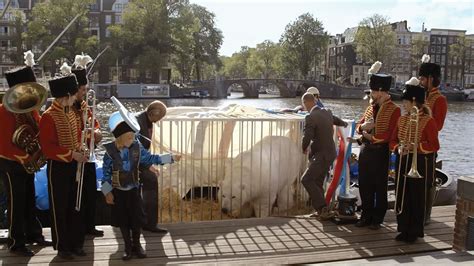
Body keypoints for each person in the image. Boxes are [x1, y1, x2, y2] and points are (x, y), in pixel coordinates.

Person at [101, 112, 181, 260]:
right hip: (119, 192)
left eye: (133, 136)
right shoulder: (110, 153)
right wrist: (107, 193)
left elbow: (151, 158)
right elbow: (105, 176)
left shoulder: (137, 146)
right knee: (123, 221)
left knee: (136, 219)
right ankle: (127, 247)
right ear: (121, 138)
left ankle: (137, 245)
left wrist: (170, 157)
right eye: (130, 137)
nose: (133, 139)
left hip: (133, 190)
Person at [0, 51, 52, 257]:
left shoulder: (29, 109)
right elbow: (2, 144)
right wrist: (23, 156)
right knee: (16, 202)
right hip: (10, 163)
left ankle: (34, 234)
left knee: (29, 198)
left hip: (26, 161)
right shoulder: (3, 112)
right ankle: (16, 241)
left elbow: (37, 128)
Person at [39, 63, 88, 259]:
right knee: (60, 207)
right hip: (58, 166)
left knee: (74, 206)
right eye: (73, 94)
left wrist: (80, 148)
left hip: (74, 164)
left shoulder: (71, 113)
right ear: (64, 96)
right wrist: (71, 155)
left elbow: (76, 136)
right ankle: (62, 246)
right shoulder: (48, 117)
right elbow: (48, 148)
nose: (76, 97)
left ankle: (76, 243)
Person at [389, 77, 439, 243]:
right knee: (402, 195)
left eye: (405, 102)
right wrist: (399, 148)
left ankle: (415, 231)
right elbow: (393, 141)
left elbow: (434, 145)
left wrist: (416, 147)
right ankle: (403, 228)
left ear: (414, 102)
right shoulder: (402, 119)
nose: (403, 104)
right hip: (403, 160)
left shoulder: (428, 121)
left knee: (416, 197)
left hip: (420, 163)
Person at [354, 61, 401, 230]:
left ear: (381, 91)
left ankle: (377, 218)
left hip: (380, 152)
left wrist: (369, 136)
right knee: (364, 184)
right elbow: (359, 125)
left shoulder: (395, 110)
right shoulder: (370, 108)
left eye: (373, 91)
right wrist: (363, 128)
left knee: (379, 187)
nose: (371, 94)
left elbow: (390, 134)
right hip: (366, 151)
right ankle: (365, 215)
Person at [71, 54, 104, 237]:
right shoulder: (68, 108)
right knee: (78, 195)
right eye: (82, 90)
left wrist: (97, 134)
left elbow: (94, 125)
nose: (85, 93)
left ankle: (90, 225)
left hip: (89, 154)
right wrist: (91, 133)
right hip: (74, 156)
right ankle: (79, 228)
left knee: (91, 191)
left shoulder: (85, 106)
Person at [300, 93, 347, 220]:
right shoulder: (326, 111)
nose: (304, 107)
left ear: (306, 103)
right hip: (330, 154)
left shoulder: (310, 117)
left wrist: (303, 148)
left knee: (306, 179)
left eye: (303, 104)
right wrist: (345, 124)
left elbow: (307, 136)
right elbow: (336, 120)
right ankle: (322, 211)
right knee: (318, 181)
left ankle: (322, 208)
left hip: (321, 155)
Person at [418, 54, 448, 224]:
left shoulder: (440, 100)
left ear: (430, 79)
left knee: (427, 182)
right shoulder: (421, 96)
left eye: (423, 78)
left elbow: (437, 126)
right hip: (415, 146)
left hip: (428, 147)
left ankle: (426, 215)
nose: (421, 81)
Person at [135, 101, 168, 233]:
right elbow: (136, 147)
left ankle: (148, 221)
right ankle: (149, 223)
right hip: (132, 163)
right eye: (160, 116)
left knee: (151, 180)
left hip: (139, 161)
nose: (160, 120)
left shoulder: (147, 121)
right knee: (151, 180)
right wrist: (148, 165)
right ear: (153, 113)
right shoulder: (137, 123)